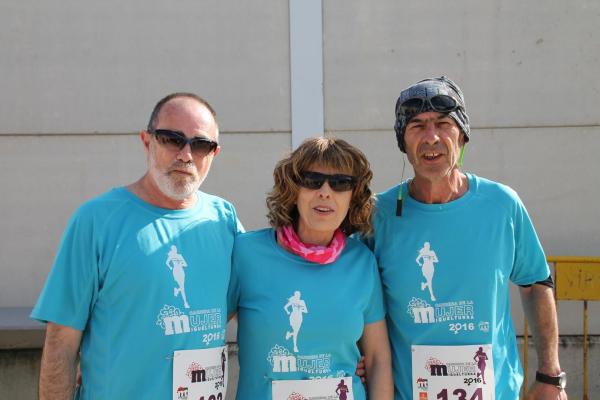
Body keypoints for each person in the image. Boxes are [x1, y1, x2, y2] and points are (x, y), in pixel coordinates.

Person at [365, 77, 567, 399]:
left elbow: (536, 283)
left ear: (462, 135)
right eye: (417, 125)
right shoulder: (378, 215)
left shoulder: (501, 204)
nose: (431, 137)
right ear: (402, 141)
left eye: (443, 123)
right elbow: (356, 300)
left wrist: (550, 374)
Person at [31, 93, 243, 399]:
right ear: (147, 141)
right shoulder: (97, 220)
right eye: (172, 139)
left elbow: (238, 300)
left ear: (214, 153)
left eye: (200, 145)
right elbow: (61, 340)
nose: (185, 155)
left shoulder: (223, 219)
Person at [228, 137, 393, 399]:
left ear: (353, 196)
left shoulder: (362, 261)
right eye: (312, 180)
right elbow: (207, 333)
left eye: (340, 183)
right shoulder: (246, 253)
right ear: (293, 190)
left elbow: (377, 359)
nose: (325, 191)